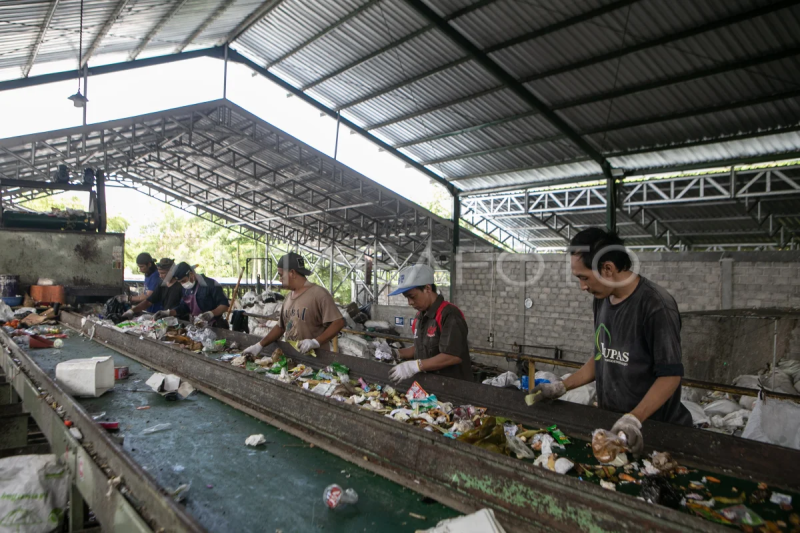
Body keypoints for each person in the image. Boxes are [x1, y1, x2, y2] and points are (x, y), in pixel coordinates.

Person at [530, 228, 692, 454]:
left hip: (653, 431)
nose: (582, 287)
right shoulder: (602, 300)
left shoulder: (656, 305)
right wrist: (562, 386)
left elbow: (670, 376)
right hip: (615, 427)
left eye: (584, 277)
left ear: (607, 268)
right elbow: (602, 357)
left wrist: (633, 420)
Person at [242, 253, 344, 358]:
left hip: (315, 361)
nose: (280, 279)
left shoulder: (318, 294)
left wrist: (316, 342)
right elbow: (280, 327)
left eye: (281, 275)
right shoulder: (288, 298)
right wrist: (259, 345)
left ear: (292, 273)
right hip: (293, 360)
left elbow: (338, 322)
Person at [386, 264, 472, 383]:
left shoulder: (449, 314)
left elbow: (452, 356)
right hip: (430, 386)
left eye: (412, 296)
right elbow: (421, 347)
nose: (410, 302)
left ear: (427, 288)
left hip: (452, 387)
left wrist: (415, 366)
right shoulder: (420, 316)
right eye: (406, 298)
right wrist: (397, 353)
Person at [154, 262, 230, 328]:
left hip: (215, 326)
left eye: (183, 281)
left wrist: (211, 313)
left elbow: (224, 305)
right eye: (180, 282)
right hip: (197, 326)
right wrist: (168, 312)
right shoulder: (186, 288)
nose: (182, 284)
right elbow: (183, 307)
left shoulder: (211, 284)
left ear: (191, 274)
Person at [121, 258, 185, 319]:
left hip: (179, 320)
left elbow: (184, 307)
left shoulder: (181, 286)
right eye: (159, 273)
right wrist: (132, 311)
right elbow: (149, 301)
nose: (160, 276)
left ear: (172, 272)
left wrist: (169, 313)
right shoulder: (162, 284)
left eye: (163, 273)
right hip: (166, 320)